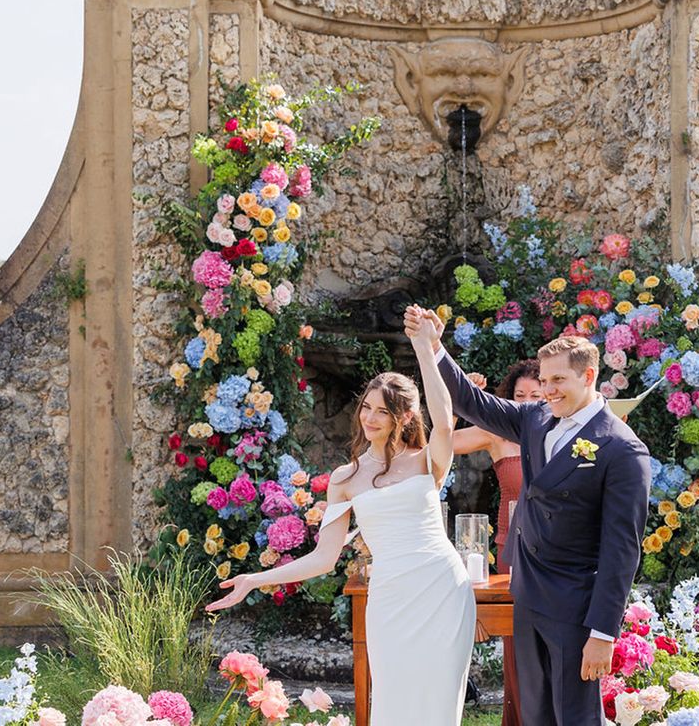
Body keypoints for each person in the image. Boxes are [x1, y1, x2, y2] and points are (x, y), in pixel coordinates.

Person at [405, 306, 652, 726]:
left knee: (574, 717)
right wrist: (434, 347)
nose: (548, 391)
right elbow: (471, 401)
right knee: (534, 713)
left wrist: (603, 633)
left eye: (558, 380)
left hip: (576, 604)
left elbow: (622, 550)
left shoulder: (622, 449)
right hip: (528, 591)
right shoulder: (535, 419)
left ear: (589, 376)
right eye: (544, 380)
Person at [206, 357, 476, 726]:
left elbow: (444, 423)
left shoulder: (427, 460)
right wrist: (255, 579)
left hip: (442, 590)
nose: (370, 418)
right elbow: (323, 558)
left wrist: (425, 347)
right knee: (394, 703)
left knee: (439, 706)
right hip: (391, 599)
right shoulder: (345, 478)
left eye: (383, 411)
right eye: (367, 407)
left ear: (405, 417)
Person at [453, 360, 542, 726]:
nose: (527, 402)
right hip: (512, 548)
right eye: (520, 395)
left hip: (555, 547)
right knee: (517, 641)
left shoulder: (564, 431)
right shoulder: (496, 433)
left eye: (535, 395)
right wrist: (460, 403)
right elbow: (441, 446)